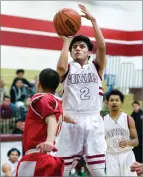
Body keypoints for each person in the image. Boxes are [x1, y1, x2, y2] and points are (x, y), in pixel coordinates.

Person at [56, 4, 107, 177]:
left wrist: (93, 21)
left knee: (97, 170)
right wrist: (66, 41)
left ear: (89, 53)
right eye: (75, 47)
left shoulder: (96, 67)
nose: (78, 48)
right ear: (70, 52)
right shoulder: (68, 68)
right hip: (71, 118)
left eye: (82, 46)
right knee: (62, 169)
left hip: (93, 118)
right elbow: (60, 68)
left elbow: (102, 47)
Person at [16, 68, 76, 177]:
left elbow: (51, 119)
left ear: (38, 84)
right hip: (51, 157)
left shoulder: (41, 99)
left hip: (38, 156)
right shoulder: (57, 102)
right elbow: (62, 116)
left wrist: (49, 140)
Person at [104, 89, 139, 176]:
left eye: (117, 100)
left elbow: (136, 141)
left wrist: (128, 142)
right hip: (110, 156)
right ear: (107, 103)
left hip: (127, 155)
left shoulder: (128, 119)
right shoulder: (102, 120)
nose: (114, 102)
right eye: (111, 100)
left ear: (121, 102)